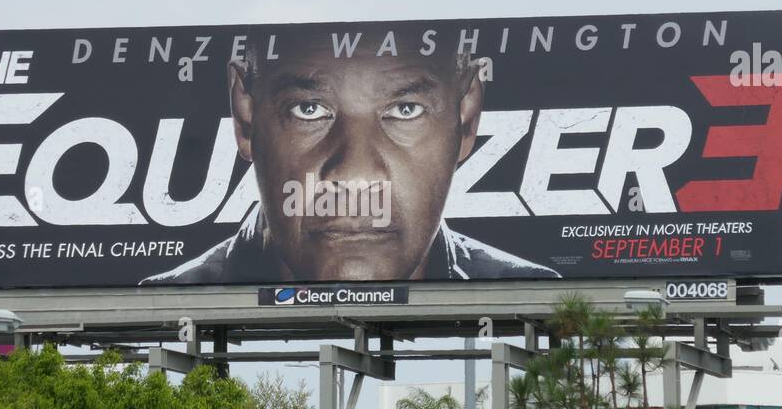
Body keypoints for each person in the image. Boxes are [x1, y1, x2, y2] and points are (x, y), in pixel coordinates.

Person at [142, 27, 557, 284]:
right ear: (246, 117)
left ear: (465, 119)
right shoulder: (167, 296)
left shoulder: (538, 288)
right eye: (309, 109)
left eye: (405, 110)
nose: (357, 175)